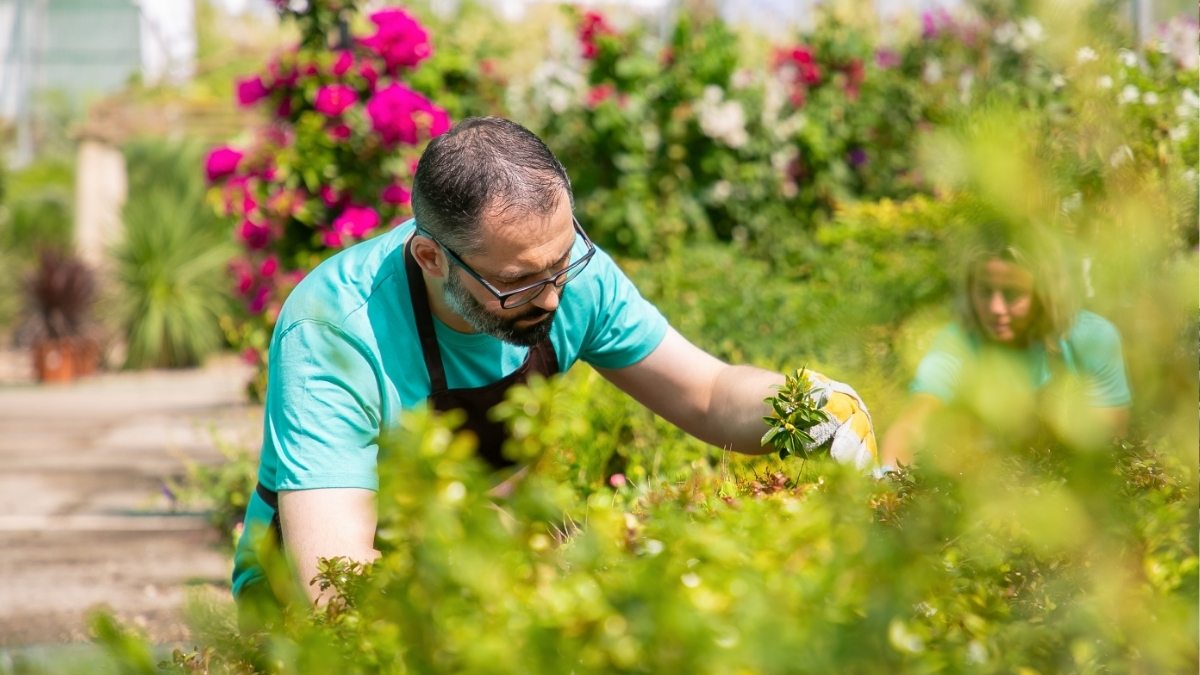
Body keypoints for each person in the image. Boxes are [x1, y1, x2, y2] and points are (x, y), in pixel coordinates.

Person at [233, 117, 879, 619]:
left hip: (475, 563)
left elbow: (707, 392)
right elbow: (333, 584)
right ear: (431, 257)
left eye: (563, 261)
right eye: (517, 282)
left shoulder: (566, 273)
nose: (552, 296)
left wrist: (802, 407)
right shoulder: (336, 330)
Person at [879, 221, 1131, 469]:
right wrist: (890, 475)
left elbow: (1109, 445)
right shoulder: (957, 342)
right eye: (985, 291)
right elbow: (916, 421)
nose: (995, 309)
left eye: (1012, 294)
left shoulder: (1092, 339)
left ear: (1044, 294)